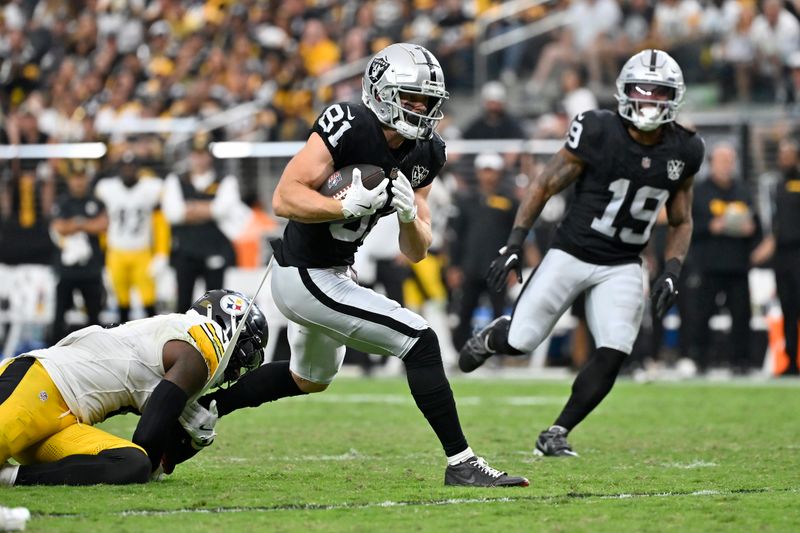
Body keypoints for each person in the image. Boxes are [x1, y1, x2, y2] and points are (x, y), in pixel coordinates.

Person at [196, 43, 528, 487]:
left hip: (332, 273)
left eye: (426, 101)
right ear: (380, 91)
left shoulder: (427, 153)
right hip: (304, 273)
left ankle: (206, 409)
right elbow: (283, 197)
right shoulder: (349, 125)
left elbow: (417, 250)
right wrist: (344, 207)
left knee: (309, 377)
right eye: (409, 98)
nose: (419, 109)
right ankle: (461, 462)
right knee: (422, 340)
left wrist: (411, 217)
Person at [459, 49, 705, 456]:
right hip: (571, 252)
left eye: (658, 93)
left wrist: (673, 268)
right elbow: (543, 185)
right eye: (641, 92)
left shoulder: (685, 148)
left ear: (673, 98)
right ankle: (492, 338)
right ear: (624, 93)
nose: (648, 101)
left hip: (623, 262)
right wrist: (515, 242)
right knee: (521, 341)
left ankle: (557, 432)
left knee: (615, 349)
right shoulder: (597, 130)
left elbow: (681, 219)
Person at [0, 289, 267, 486]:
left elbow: (149, 461)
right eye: (247, 351)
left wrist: (191, 444)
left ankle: (9, 477)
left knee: (131, 464)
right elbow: (150, 434)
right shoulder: (202, 348)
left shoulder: (180, 343)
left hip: (65, 423)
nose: (236, 370)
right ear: (229, 327)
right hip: (39, 384)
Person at [688, 142, 759, 374]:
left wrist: (750, 228)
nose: (726, 165)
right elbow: (688, 226)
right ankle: (699, 359)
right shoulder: (699, 190)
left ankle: (741, 361)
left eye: (729, 161)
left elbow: (757, 226)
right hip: (709, 265)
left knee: (741, 315)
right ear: (711, 163)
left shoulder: (743, 189)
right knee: (702, 314)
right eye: (721, 160)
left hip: (738, 265)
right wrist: (711, 226)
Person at [162, 132, 247, 313]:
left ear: (210, 156)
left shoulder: (225, 180)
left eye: (203, 154)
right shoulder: (176, 179)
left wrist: (191, 208)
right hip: (185, 252)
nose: (199, 159)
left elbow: (221, 209)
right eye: (196, 154)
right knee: (182, 304)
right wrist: (208, 209)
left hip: (214, 249)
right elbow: (173, 214)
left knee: (215, 304)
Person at [447, 152, 518, 350]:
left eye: (492, 171)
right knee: (465, 311)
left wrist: (513, 266)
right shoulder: (465, 201)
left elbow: (515, 237)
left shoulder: (510, 202)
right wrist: (454, 266)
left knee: (498, 313)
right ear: (478, 173)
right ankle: (460, 351)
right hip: (471, 266)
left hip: (498, 268)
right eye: (485, 171)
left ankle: (497, 352)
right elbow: (456, 236)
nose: (488, 176)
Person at [94, 150, 168, 322]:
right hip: (116, 252)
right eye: (125, 167)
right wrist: (102, 250)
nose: (128, 171)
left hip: (142, 251)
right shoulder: (107, 188)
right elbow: (100, 219)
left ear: (138, 169)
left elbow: (161, 221)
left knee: (149, 302)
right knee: (121, 303)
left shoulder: (150, 187)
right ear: (119, 169)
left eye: (132, 167)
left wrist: (162, 252)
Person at [752, 138, 800, 376]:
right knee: (788, 308)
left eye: (789, 154)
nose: (785, 159)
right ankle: (791, 361)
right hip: (782, 256)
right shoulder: (774, 184)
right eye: (782, 155)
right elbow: (771, 221)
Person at [49, 160, 108, 343]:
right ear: (69, 180)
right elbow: (58, 227)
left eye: (81, 177)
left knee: (94, 318)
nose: (78, 182)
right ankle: (52, 352)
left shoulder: (96, 201)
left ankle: (98, 353)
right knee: (59, 317)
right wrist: (84, 224)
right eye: (75, 178)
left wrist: (75, 223)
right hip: (67, 270)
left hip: (91, 269)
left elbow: (102, 224)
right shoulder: (62, 201)